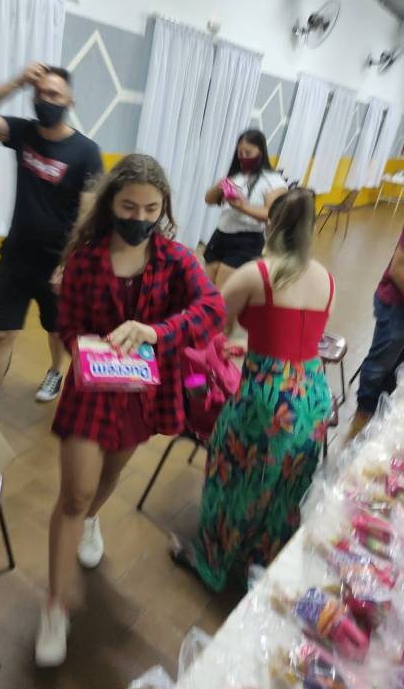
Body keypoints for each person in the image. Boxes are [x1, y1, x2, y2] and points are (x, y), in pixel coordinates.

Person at [35, 154, 226, 667]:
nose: (139, 218)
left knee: (108, 477)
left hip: (141, 395)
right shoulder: (85, 260)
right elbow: (68, 326)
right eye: (128, 207)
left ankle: (92, 520)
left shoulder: (176, 259)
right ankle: (55, 605)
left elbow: (212, 310)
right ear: (110, 204)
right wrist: (87, 352)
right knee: (73, 494)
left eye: (150, 209)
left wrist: (156, 332)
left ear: (163, 210)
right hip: (90, 392)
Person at [171, 188, 333, 591]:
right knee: (286, 485)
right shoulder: (326, 278)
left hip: (268, 400)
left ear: (270, 223)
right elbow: (299, 340)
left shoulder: (255, 273)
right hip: (313, 394)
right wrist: (257, 344)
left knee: (233, 475)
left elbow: (211, 325)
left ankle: (211, 562)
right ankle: (262, 564)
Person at [0, 63, 103, 429]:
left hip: (57, 264)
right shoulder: (23, 133)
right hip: (16, 256)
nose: (45, 100)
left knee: (56, 329)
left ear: (70, 101)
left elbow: (88, 216)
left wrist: (70, 264)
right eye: (39, 93)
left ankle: (55, 371)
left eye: (54, 94)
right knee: (1, 332)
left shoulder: (86, 152)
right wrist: (17, 81)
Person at [204, 129, 287, 288]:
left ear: (261, 152)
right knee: (206, 288)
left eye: (248, 153)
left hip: (246, 241)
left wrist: (243, 207)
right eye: (240, 153)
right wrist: (220, 185)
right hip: (220, 236)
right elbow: (208, 199)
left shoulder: (273, 181)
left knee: (223, 292)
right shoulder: (236, 175)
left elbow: (272, 214)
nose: (243, 157)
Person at [349, 228, 404, 439]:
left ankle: (379, 415)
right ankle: (362, 415)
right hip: (396, 304)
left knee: (396, 369)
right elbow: (398, 269)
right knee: (379, 366)